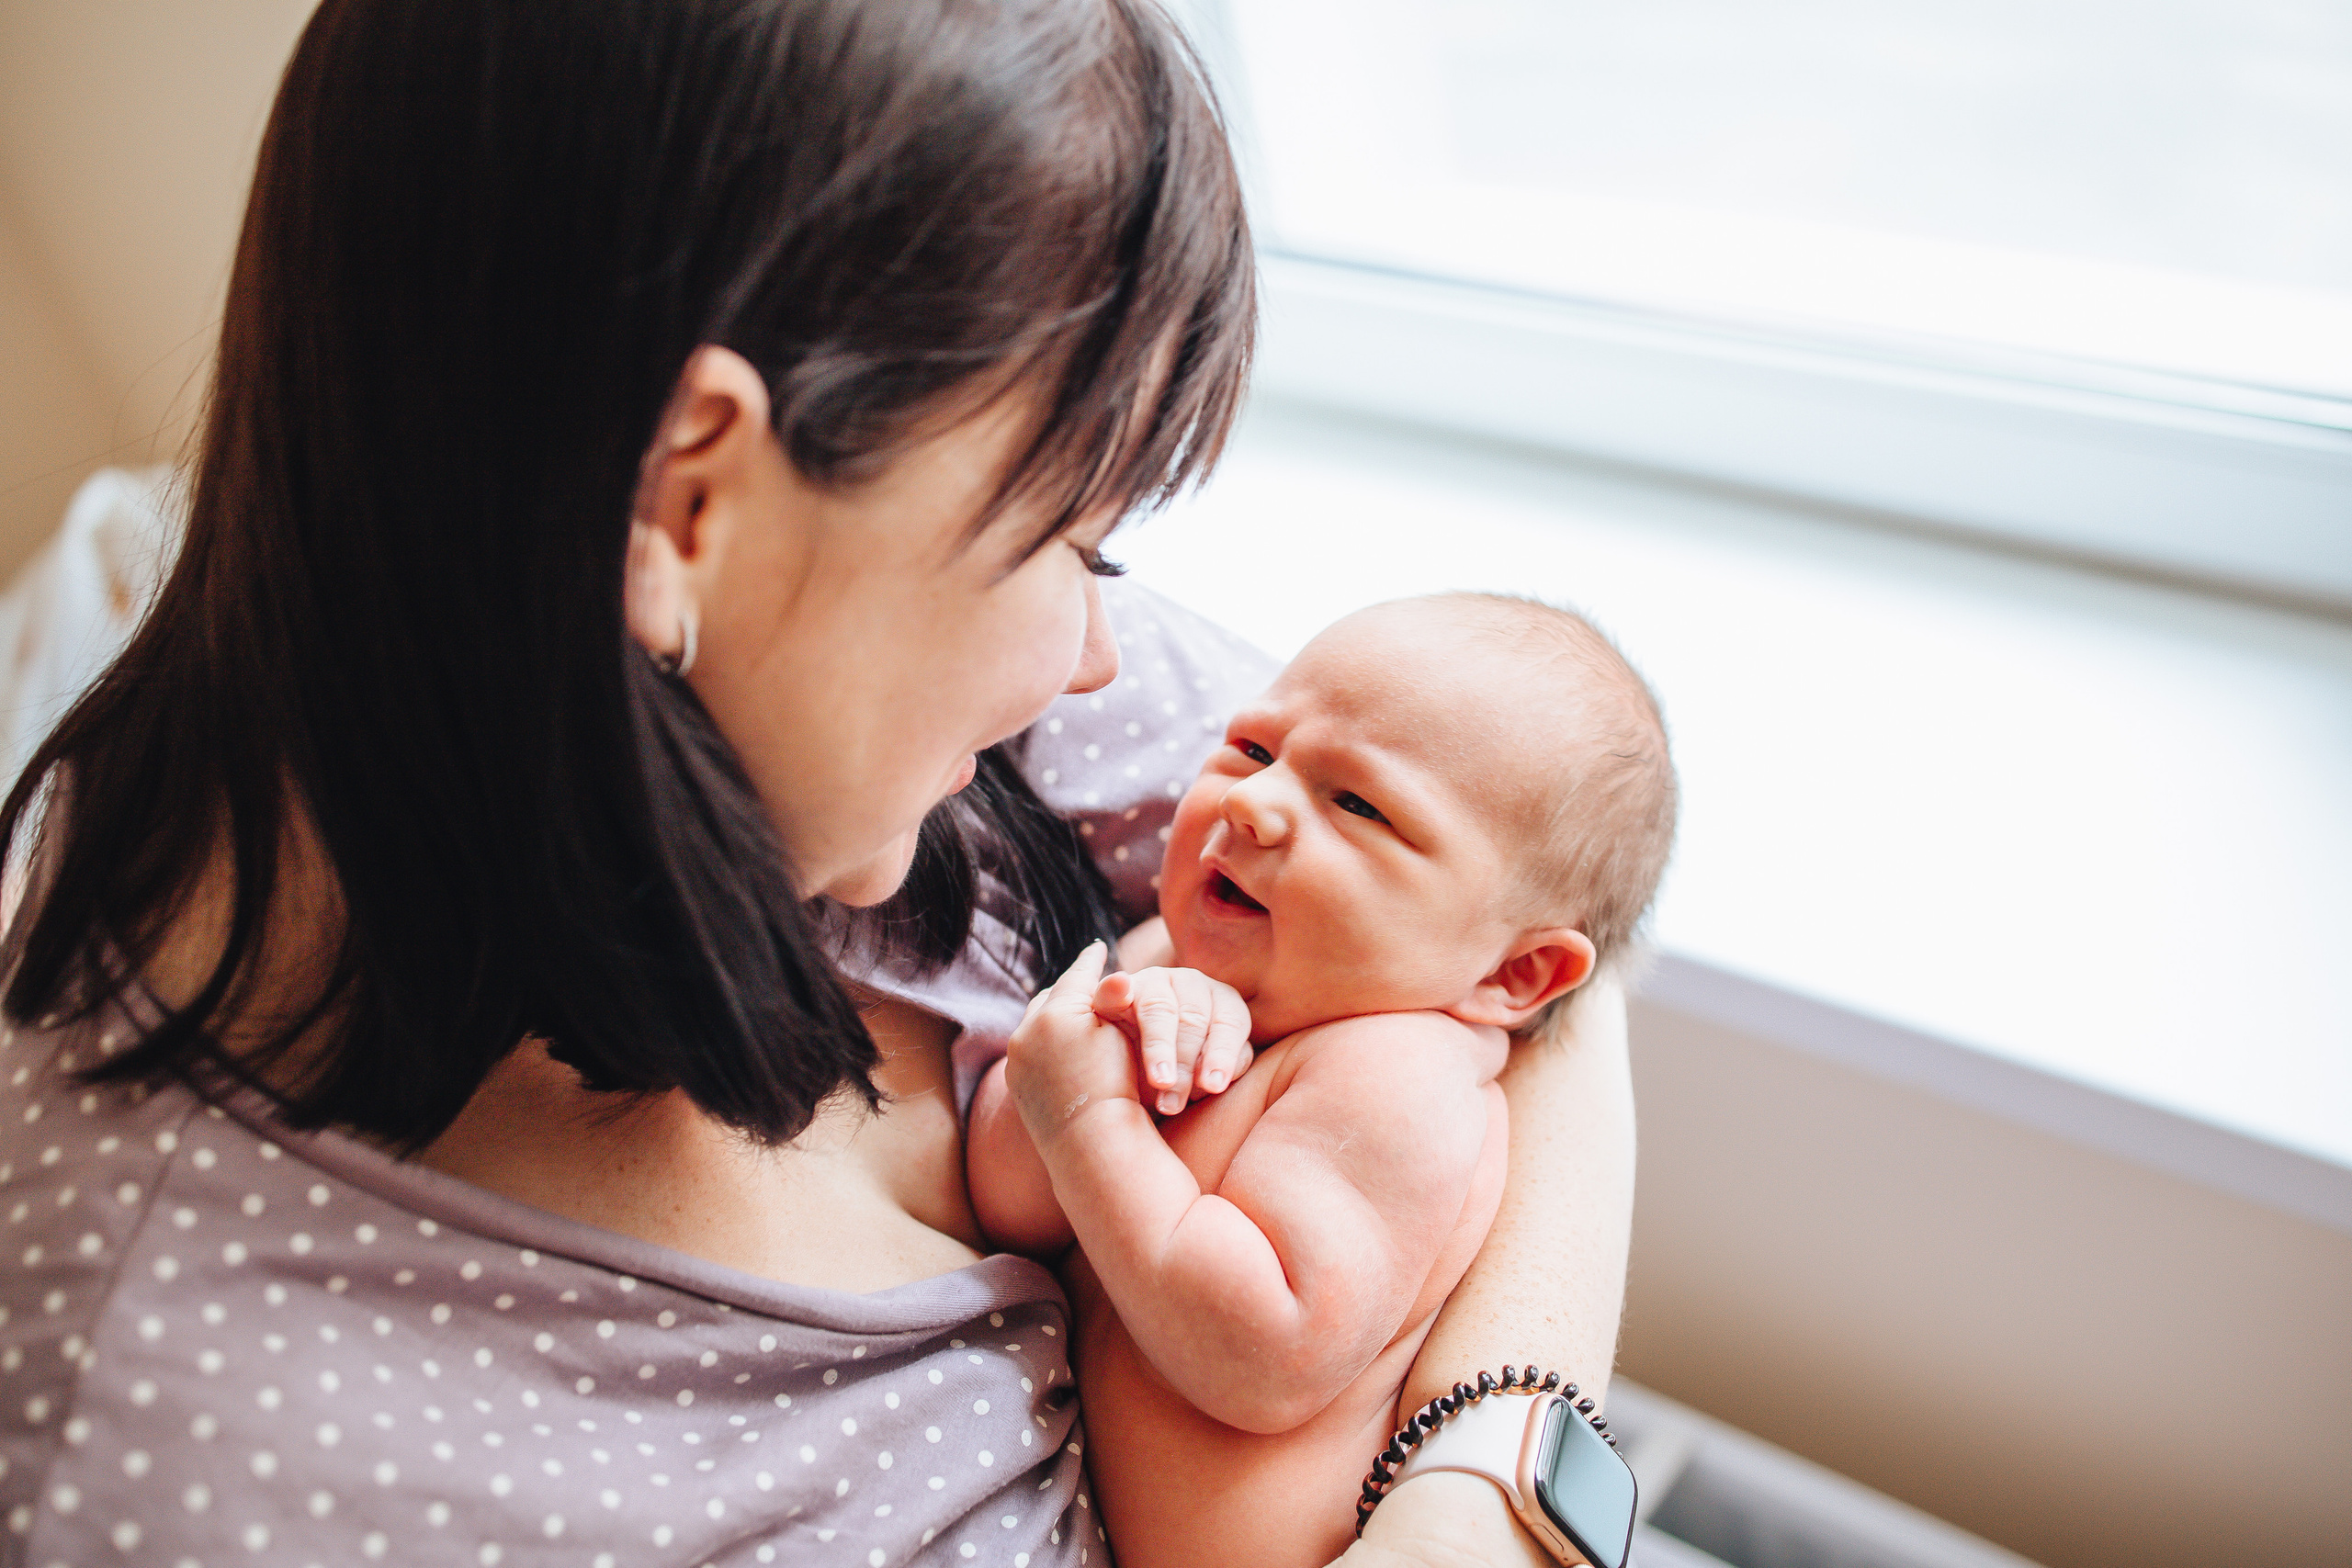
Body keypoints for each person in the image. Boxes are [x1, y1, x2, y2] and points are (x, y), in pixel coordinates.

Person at [0, 3, 1634, 1565]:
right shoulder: (202, 1459)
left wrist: (1492, 1489)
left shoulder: (825, 692)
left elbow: (1528, 895)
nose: (1099, 657)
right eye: (1073, 534)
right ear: (688, 499)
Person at [964, 594, 1674, 1567]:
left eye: (1358, 805)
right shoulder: (1170, 958)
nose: (1252, 802)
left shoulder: (1399, 1079)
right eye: (1254, 749)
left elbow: (1262, 1357)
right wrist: (1061, 1082)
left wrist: (1091, 1120)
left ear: (1514, 975)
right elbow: (1006, 1203)